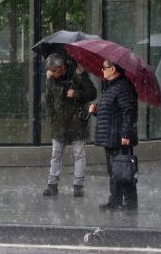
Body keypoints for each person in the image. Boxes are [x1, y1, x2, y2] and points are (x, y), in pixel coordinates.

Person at [42, 52, 97, 198]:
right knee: (56, 155)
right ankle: (52, 185)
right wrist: (51, 117)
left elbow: (92, 93)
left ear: (62, 66)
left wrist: (77, 94)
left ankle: (78, 186)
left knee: (79, 154)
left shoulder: (79, 74)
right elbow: (47, 99)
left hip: (77, 122)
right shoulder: (51, 79)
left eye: (54, 70)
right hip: (59, 124)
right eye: (51, 71)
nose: (52, 74)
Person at [88, 60, 138, 210]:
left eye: (104, 68)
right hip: (110, 136)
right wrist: (96, 110)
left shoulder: (123, 87)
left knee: (123, 169)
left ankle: (130, 202)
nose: (102, 70)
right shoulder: (111, 87)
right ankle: (115, 200)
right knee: (114, 170)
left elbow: (128, 112)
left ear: (113, 69)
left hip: (118, 137)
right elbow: (111, 112)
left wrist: (126, 134)